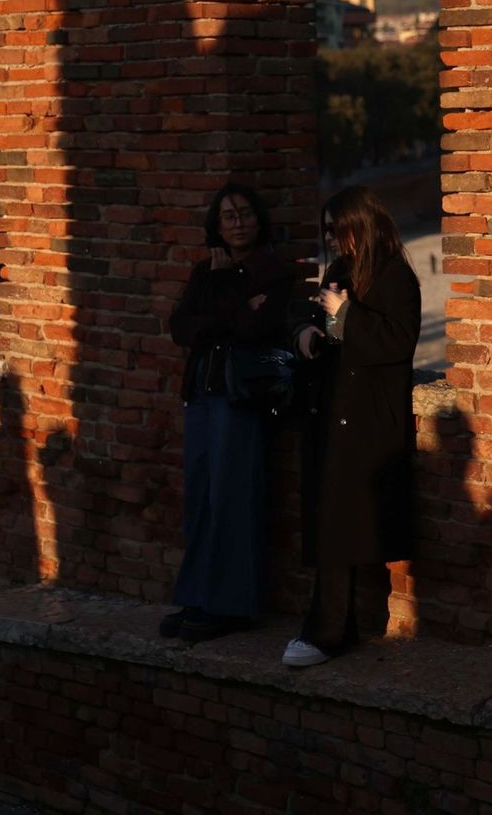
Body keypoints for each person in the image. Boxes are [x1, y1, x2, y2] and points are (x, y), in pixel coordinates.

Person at [282, 186, 421, 668]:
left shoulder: (397, 276)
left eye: (337, 230)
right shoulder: (343, 269)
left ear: (359, 225)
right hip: (333, 410)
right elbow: (324, 318)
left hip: (367, 420)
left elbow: (397, 343)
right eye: (326, 232)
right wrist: (308, 330)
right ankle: (331, 627)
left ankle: (329, 632)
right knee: (330, 525)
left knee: (343, 528)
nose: (332, 241)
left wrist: (344, 314)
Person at [164, 182, 294, 642]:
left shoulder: (272, 270)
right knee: (200, 497)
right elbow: (181, 327)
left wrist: (225, 299)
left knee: (232, 497)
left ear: (259, 219)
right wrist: (230, 304)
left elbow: (256, 326)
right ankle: (199, 596)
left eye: (244, 214)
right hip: (201, 392)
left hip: (239, 398)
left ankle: (231, 605)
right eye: (228, 216)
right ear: (216, 225)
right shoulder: (207, 270)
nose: (238, 223)